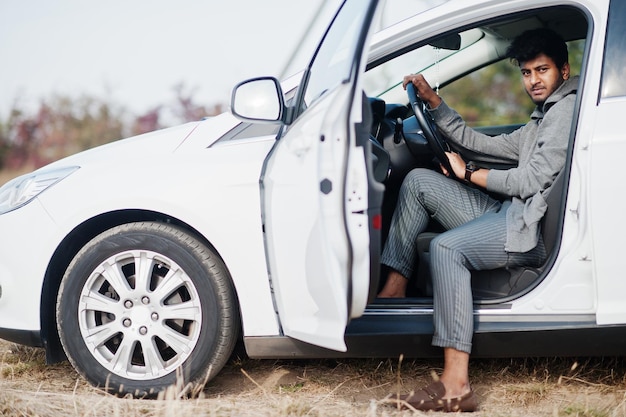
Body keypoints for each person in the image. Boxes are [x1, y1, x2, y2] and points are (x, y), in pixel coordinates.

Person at [380, 28, 579, 412]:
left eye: (542, 70)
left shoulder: (565, 112)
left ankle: (456, 384)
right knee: (420, 181)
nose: (534, 80)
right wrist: (434, 102)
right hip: (511, 213)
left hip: (527, 228)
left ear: (564, 71)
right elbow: (481, 145)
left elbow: (531, 180)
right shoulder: (544, 116)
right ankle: (394, 289)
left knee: (446, 248)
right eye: (526, 73)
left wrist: (468, 175)